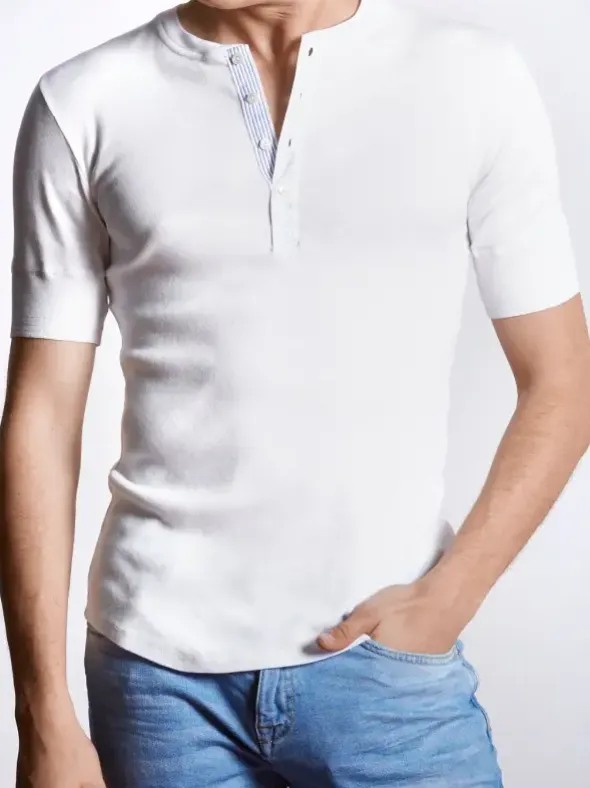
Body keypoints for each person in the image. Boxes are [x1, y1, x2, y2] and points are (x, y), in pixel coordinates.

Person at [2, 0, 589, 785]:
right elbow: (40, 417)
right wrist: (41, 713)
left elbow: (562, 378)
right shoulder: (85, 100)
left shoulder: (472, 76)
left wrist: (450, 596)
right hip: (155, 684)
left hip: (390, 676)